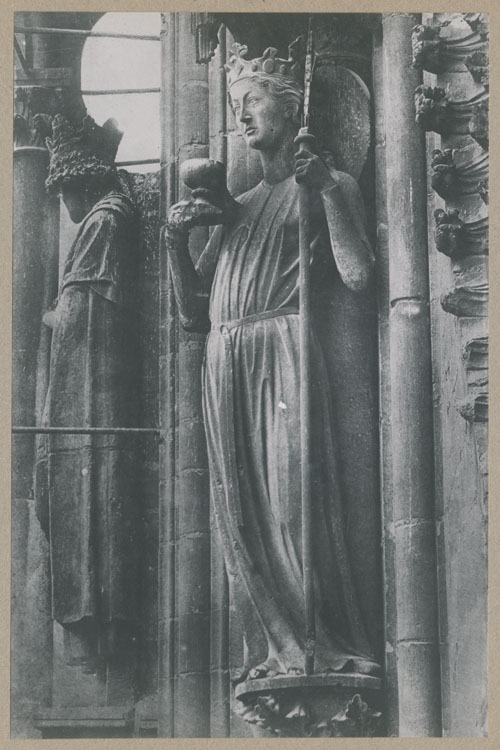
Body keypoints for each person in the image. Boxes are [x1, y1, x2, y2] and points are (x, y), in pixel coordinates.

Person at [165, 44, 380, 680]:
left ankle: (324, 643)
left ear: (290, 107)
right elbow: (191, 315)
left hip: (279, 358)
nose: (241, 115)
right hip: (224, 362)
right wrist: (177, 243)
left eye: (252, 100)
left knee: (293, 505)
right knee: (240, 521)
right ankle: (278, 648)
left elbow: (360, 273)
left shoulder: (325, 184)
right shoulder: (239, 206)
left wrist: (328, 193)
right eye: (233, 105)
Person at [35, 114, 139, 666]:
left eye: (65, 191)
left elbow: (83, 312)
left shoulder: (104, 219)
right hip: (84, 382)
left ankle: (97, 617)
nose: (65, 205)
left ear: (82, 181)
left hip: (90, 387)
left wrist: (51, 318)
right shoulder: (106, 217)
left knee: (87, 487)